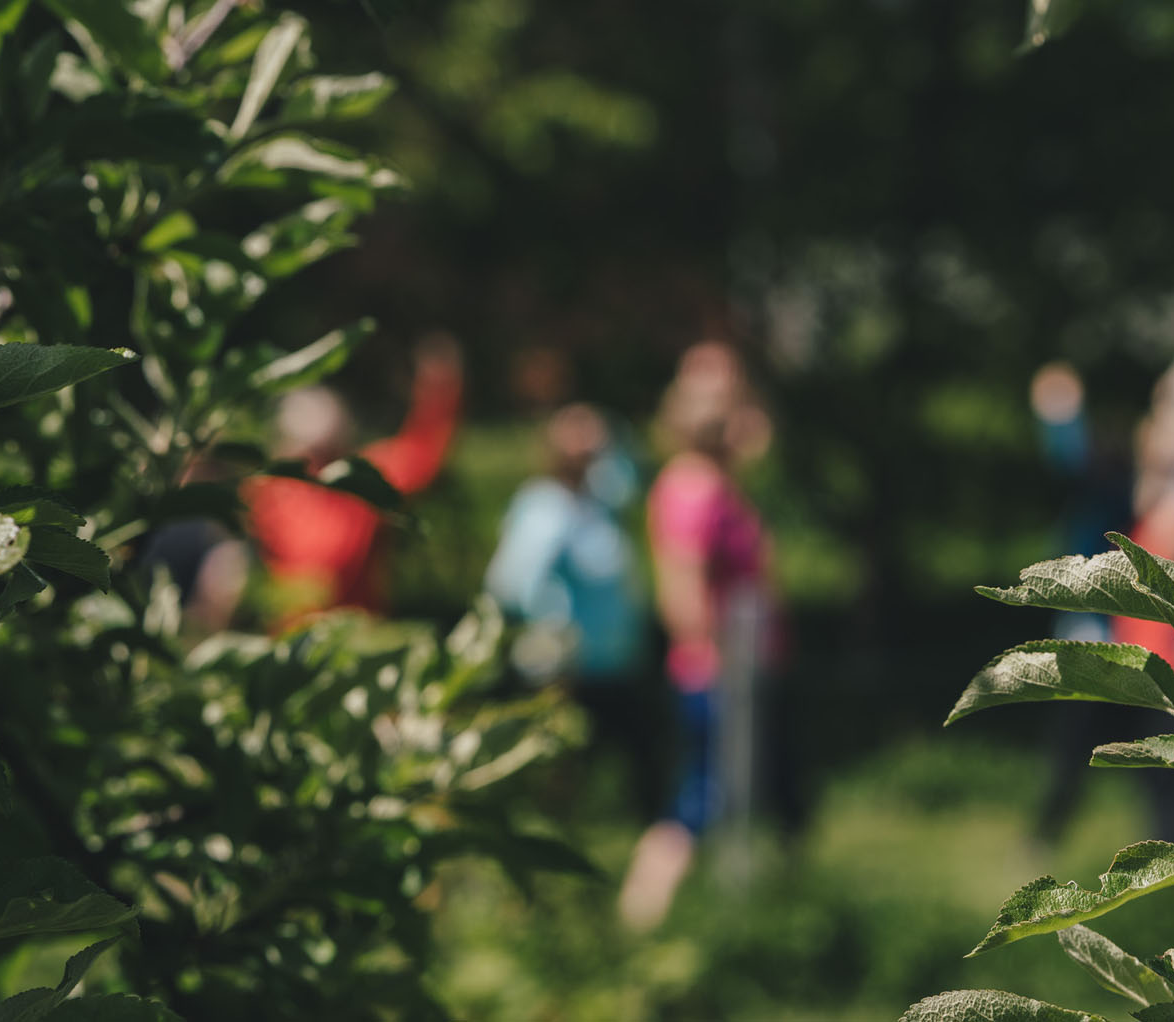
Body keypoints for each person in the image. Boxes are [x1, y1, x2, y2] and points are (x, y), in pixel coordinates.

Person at [617, 340, 779, 932]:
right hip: (712, 669)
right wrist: (723, 661)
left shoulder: (717, 480)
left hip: (732, 665)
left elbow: (761, 436)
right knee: (697, 803)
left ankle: (738, 917)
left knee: (736, 797)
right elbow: (681, 594)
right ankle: (640, 919)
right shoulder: (693, 487)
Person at [484, 403, 655, 815]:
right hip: (567, 665)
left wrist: (616, 436)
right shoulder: (546, 507)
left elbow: (634, 472)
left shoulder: (598, 500)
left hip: (611, 660)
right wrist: (550, 626)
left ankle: (610, 823)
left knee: (621, 754)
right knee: (561, 760)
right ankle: (554, 826)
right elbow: (509, 581)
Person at [243, 333, 463, 628]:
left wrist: (439, 387)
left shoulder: (357, 480)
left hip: (352, 639)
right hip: (294, 644)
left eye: (322, 455)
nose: (314, 467)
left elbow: (422, 454)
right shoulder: (270, 492)